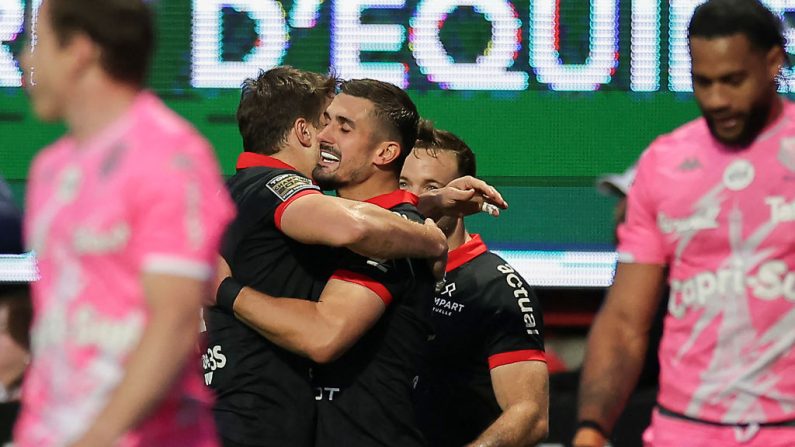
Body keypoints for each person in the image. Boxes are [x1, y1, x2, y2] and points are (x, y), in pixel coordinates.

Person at [574, 1, 795, 446]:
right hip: (683, 430)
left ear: (773, 62)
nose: (716, 99)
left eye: (733, 81)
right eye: (703, 82)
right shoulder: (663, 163)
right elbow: (624, 320)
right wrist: (591, 429)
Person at [16, 1, 235, 445]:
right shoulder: (49, 169)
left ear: (78, 50)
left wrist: (95, 439)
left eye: (37, 43)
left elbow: (173, 324)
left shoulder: (171, 158)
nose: (25, 59)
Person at [204, 69, 452, 447]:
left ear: (385, 153)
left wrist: (224, 289)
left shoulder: (395, 234)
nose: (326, 136)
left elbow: (323, 335)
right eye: (326, 122)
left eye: (343, 127)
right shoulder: (306, 212)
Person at [400, 120, 549, 447]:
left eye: (432, 186)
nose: (414, 197)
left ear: (463, 195)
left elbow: (530, 414)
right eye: (403, 183)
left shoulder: (497, 287)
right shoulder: (380, 266)